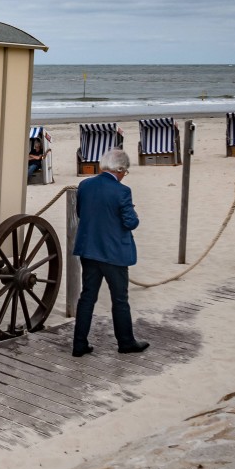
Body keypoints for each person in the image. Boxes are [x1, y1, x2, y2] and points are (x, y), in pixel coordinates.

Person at [71, 148, 148, 357]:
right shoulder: (122, 191)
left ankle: (79, 344)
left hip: (89, 250)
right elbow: (131, 222)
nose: (125, 175)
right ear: (120, 169)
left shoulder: (85, 185)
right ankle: (125, 342)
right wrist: (134, 213)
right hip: (113, 253)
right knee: (120, 299)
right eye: (125, 171)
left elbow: (81, 213)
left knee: (87, 297)